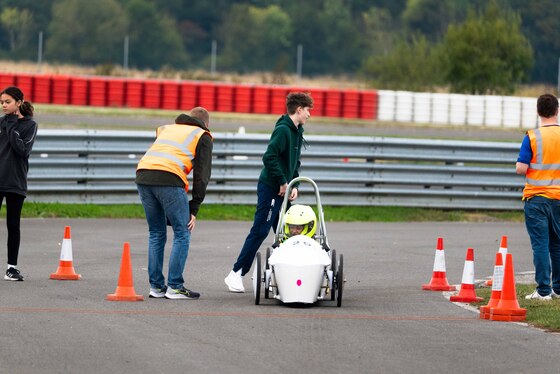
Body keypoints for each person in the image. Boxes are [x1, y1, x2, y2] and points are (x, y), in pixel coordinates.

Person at [224, 92, 313, 293]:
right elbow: (269, 157)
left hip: (285, 189)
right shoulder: (283, 130)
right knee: (260, 230)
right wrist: (282, 181)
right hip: (271, 189)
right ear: (299, 109)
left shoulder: (297, 130)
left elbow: (294, 162)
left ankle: (285, 275)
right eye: (308, 110)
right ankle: (236, 273)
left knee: (288, 232)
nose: (309, 114)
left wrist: (294, 184)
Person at [136, 107, 213, 300]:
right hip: (169, 178)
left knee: (156, 232)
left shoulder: (167, 129)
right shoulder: (202, 135)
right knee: (182, 232)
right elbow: (202, 177)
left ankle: (156, 287)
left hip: (143, 175)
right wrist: (193, 208)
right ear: (206, 124)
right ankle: (175, 286)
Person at [516, 93, 560, 301]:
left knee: (540, 244)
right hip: (559, 199)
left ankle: (543, 291)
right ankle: (558, 289)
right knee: (557, 244)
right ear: (557, 111)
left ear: (538, 112)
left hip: (536, 198)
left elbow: (521, 168)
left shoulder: (532, 137)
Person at [0, 86, 38, 281]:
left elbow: (22, 150)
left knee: (13, 225)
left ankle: (11, 268)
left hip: (15, 181)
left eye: (7, 102)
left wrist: (13, 125)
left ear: (19, 102)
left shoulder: (30, 125)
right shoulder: (1, 123)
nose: (4, 106)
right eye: (2, 102)